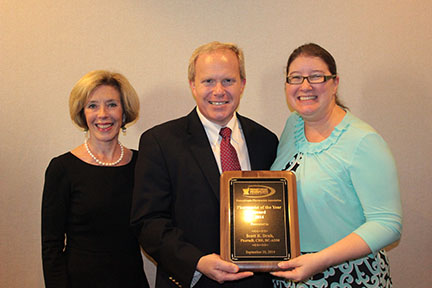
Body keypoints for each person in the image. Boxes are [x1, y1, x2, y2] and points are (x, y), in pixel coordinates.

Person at [130, 41, 279, 287]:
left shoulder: (265, 140)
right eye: (208, 81)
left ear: (242, 84)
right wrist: (197, 262)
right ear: (193, 85)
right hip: (193, 281)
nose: (218, 91)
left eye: (228, 81)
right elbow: (148, 223)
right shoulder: (160, 142)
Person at [270, 43, 402, 287]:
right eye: (295, 77)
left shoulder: (363, 141)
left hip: (347, 276)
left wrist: (319, 260)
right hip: (292, 274)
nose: (305, 86)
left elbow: (388, 224)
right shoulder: (293, 125)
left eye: (316, 77)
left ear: (335, 83)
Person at [41, 70, 149, 288]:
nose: (103, 114)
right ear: (82, 113)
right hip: (80, 281)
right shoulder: (62, 168)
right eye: (92, 106)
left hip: (132, 280)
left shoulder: (142, 164)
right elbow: (51, 246)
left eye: (111, 104)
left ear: (124, 111)